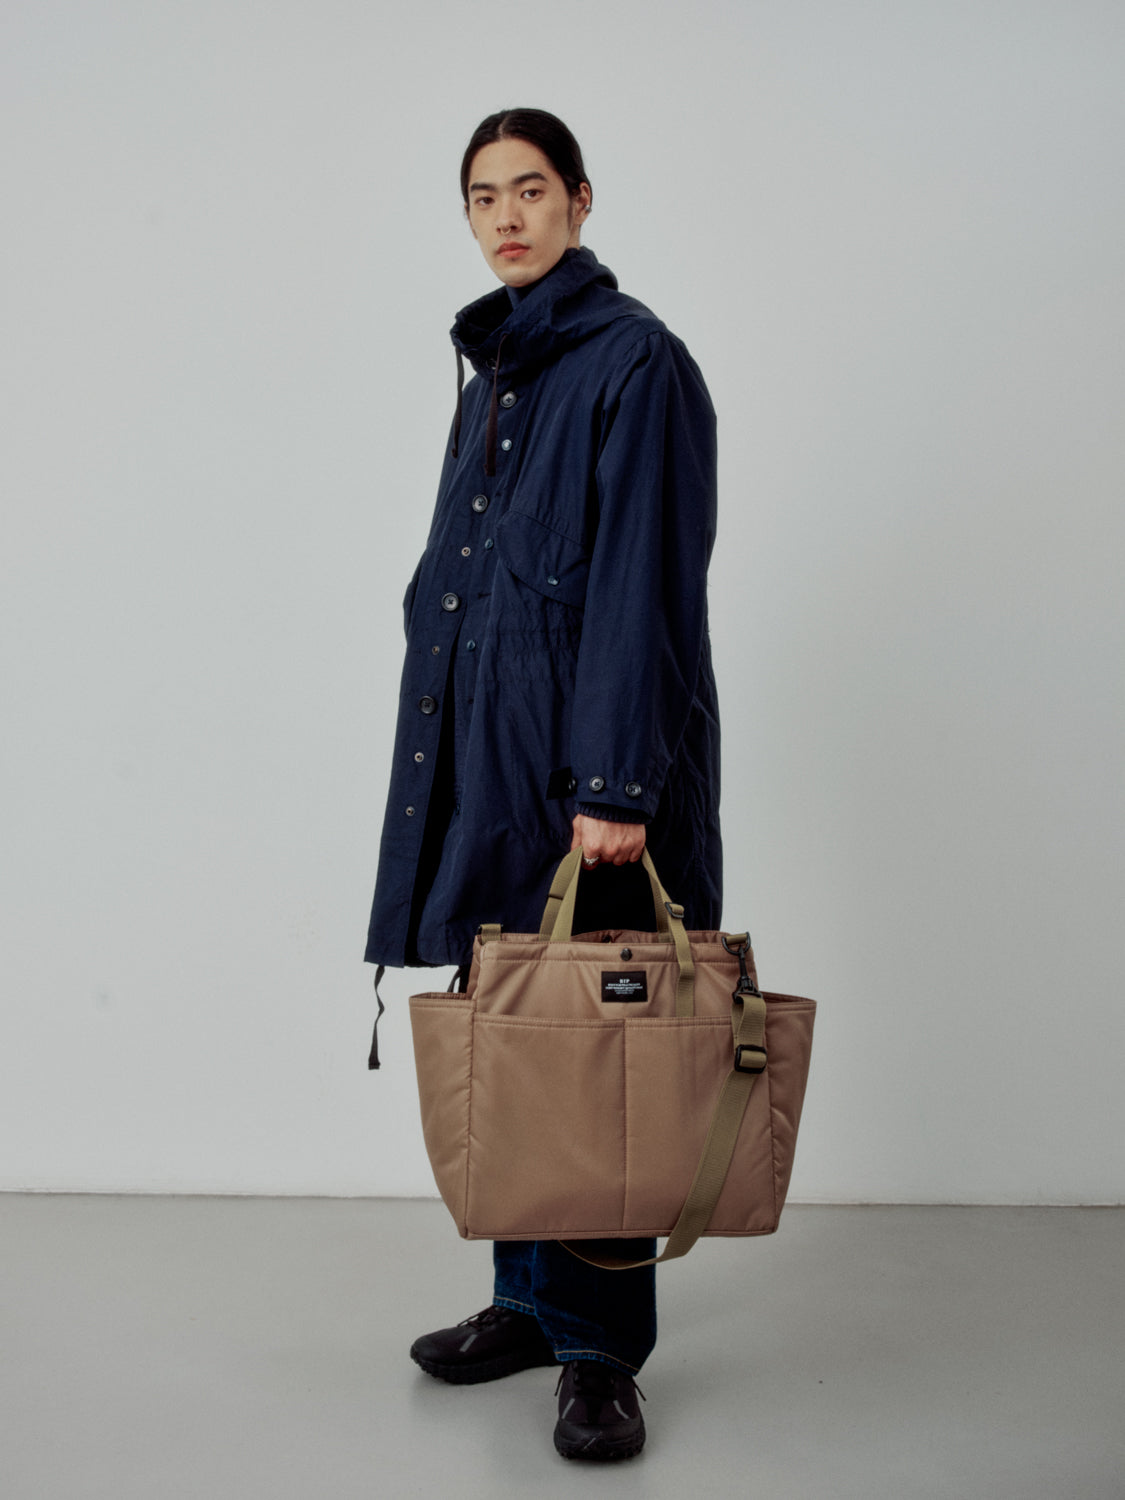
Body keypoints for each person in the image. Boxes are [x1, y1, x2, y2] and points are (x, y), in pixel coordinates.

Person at [364, 107, 722, 1462]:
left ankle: (598, 1352)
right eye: (481, 196)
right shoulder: (499, 370)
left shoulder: (634, 360)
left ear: (579, 200)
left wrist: (619, 783)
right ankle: (526, 1301)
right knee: (516, 1031)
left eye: (529, 190)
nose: (505, 217)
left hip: (590, 777)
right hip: (493, 764)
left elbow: (642, 585)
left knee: (597, 1059)